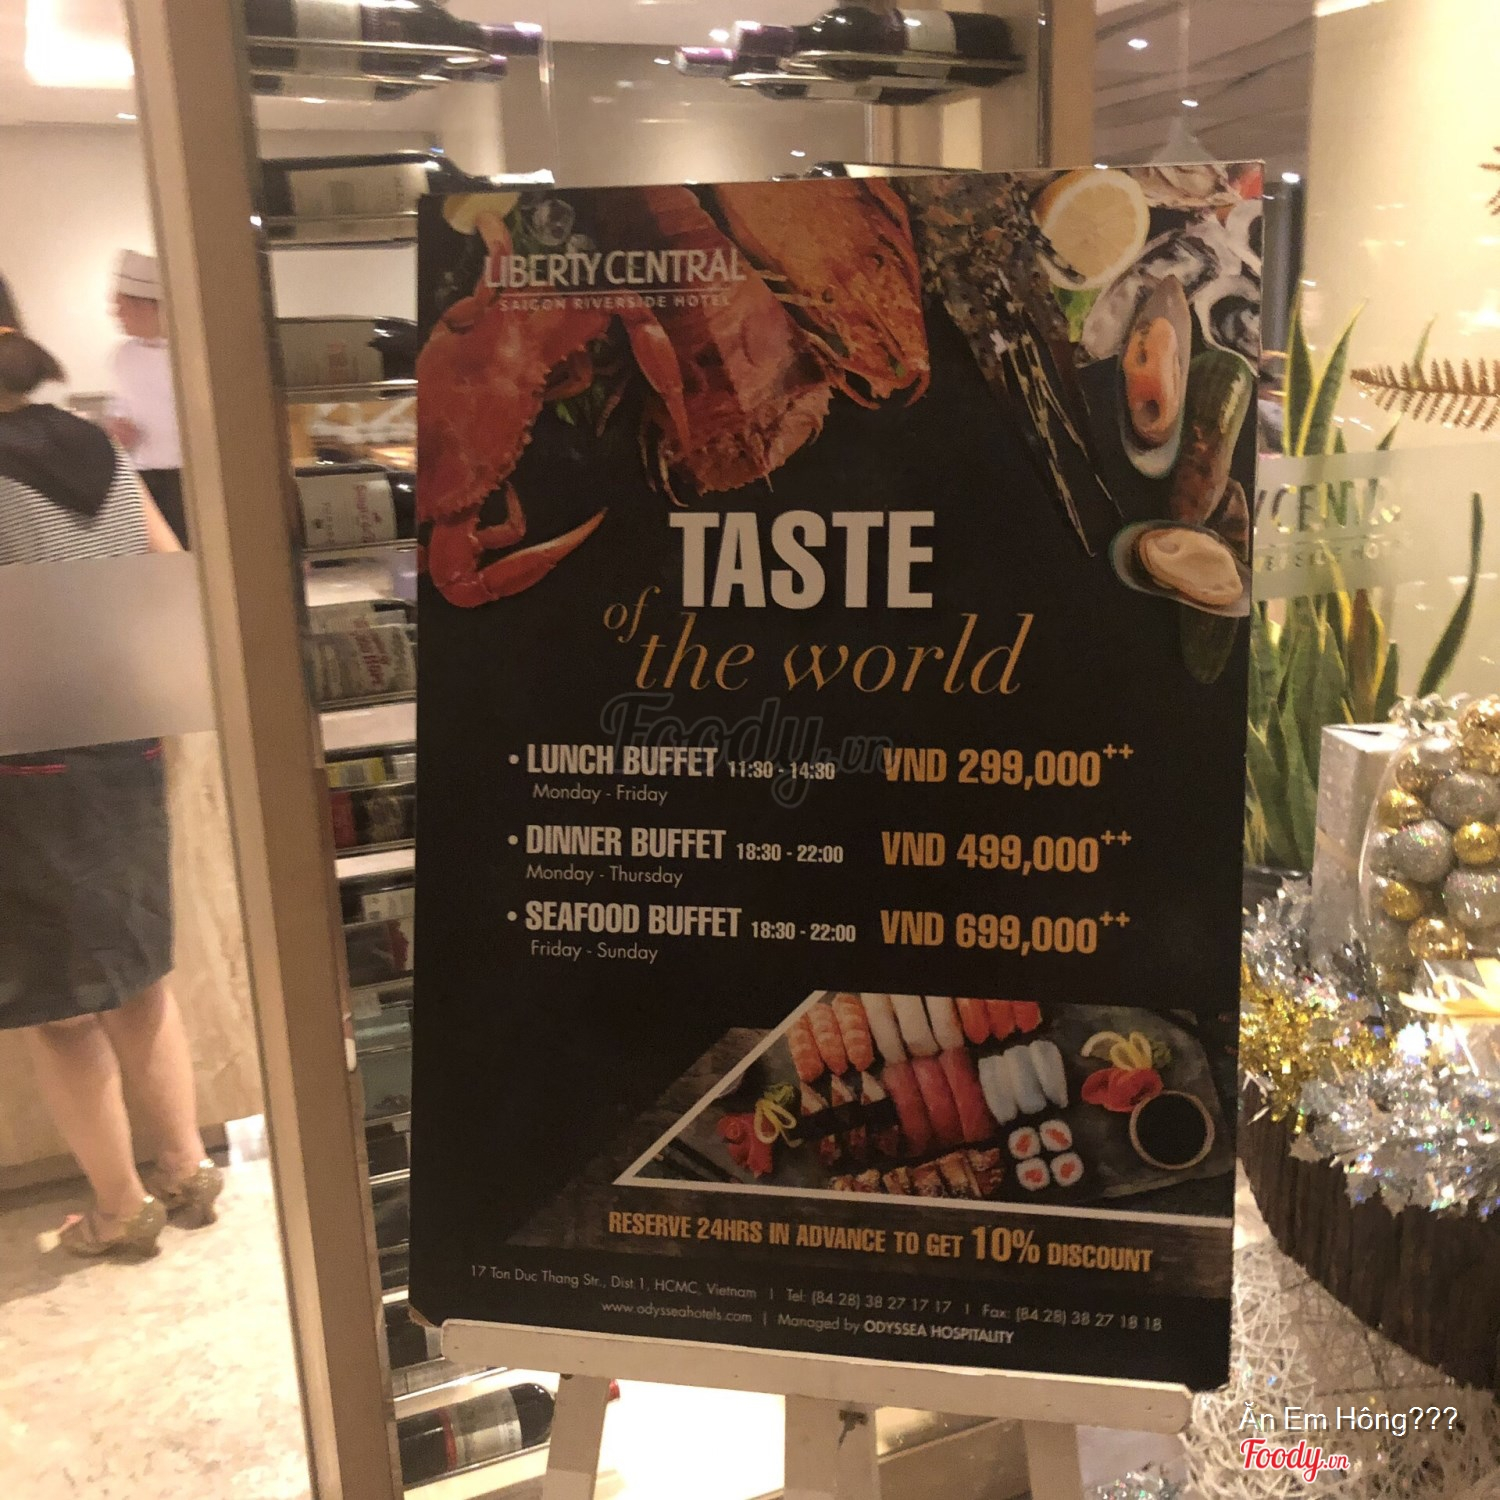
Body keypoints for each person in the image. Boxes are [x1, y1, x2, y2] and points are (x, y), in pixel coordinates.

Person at [0, 278, 221, 1257]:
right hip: (124, 743)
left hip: (22, 768)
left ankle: (121, 1208)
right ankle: (186, 1166)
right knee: (137, 978)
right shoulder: (95, 444)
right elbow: (168, 567)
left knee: (58, 1012)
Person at [106, 249, 188, 548]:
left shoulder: (189, 353)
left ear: (148, 306)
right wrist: (116, 426)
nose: (115, 314)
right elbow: (121, 403)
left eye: (121, 306)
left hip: (188, 476)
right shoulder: (123, 355)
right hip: (142, 476)